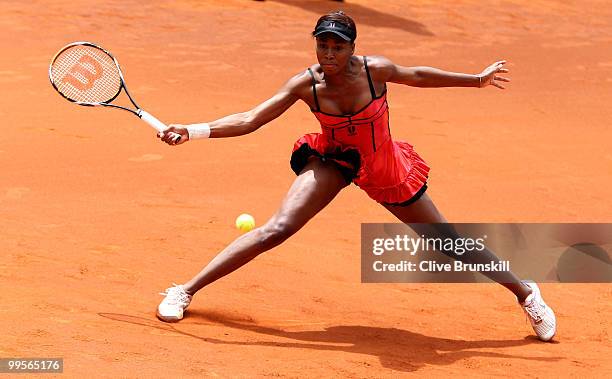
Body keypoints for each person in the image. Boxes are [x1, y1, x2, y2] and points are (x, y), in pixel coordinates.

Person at [156, 11, 556, 341]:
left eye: (337, 46)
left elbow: (418, 74)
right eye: (322, 44)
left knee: (447, 240)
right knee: (276, 229)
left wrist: (476, 80)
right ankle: (184, 290)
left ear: (352, 48)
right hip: (336, 160)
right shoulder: (306, 84)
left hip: (385, 167)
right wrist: (192, 130)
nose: (329, 53)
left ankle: (526, 293)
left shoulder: (374, 71)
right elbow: (250, 119)